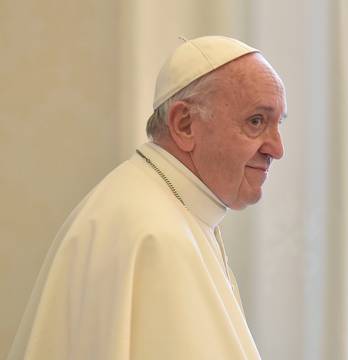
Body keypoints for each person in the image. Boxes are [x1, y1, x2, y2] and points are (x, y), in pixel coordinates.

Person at [7, 35, 286, 360]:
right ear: (184, 125)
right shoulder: (154, 235)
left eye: (278, 124)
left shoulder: (166, 206)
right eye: (256, 122)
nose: (277, 149)